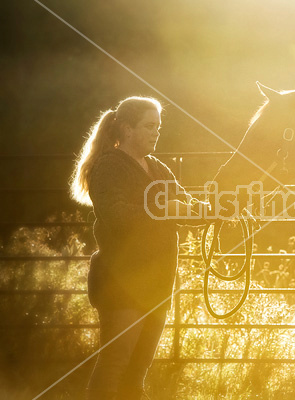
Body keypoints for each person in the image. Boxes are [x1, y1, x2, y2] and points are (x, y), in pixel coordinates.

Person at [70, 96, 205, 399]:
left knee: (137, 372)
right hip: (121, 281)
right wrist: (164, 209)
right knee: (114, 366)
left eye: (158, 127)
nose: (156, 132)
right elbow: (116, 216)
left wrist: (219, 211)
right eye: (149, 126)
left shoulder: (158, 168)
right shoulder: (108, 167)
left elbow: (185, 206)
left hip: (158, 283)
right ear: (127, 129)